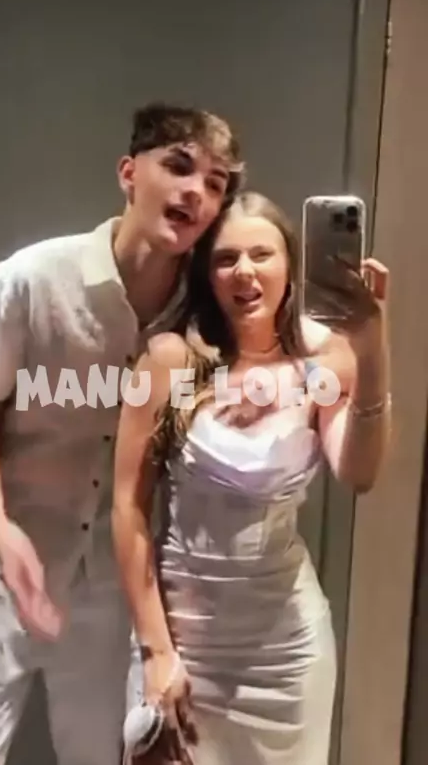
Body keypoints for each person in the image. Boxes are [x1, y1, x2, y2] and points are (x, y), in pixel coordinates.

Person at [0, 101, 246, 765]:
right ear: (128, 174)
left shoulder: (203, 313)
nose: (196, 192)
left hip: (107, 585)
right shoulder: (30, 280)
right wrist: (4, 534)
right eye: (179, 167)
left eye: (216, 182)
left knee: (98, 753)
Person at [112, 190, 391, 765]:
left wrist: (372, 348)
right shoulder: (171, 362)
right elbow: (127, 507)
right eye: (226, 258)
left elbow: (359, 472)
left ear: (290, 264)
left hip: (285, 653)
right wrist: (156, 652)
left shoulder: (326, 361)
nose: (245, 272)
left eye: (261, 254)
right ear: (206, 274)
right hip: (183, 642)